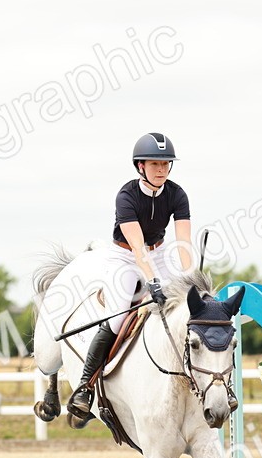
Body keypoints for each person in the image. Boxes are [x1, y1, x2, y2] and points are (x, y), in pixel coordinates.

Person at [67, 132, 195, 426]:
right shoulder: (126, 196)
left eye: (166, 164)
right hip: (124, 258)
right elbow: (137, 249)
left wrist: (190, 281)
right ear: (140, 166)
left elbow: (184, 243)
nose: (162, 169)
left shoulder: (177, 194)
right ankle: (85, 387)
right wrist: (153, 282)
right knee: (116, 318)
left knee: (181, 309)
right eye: (155, 164)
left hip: (160, 254)